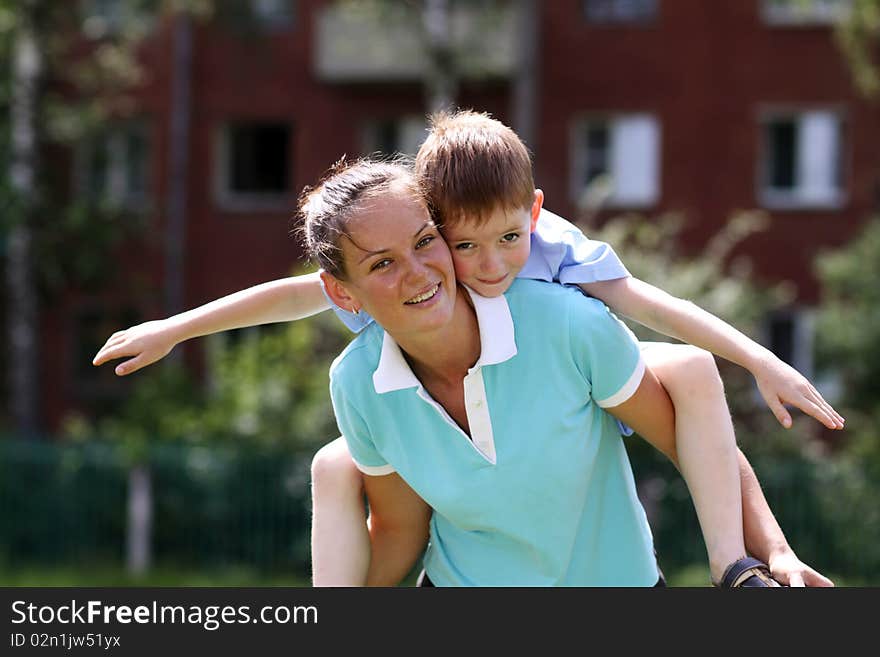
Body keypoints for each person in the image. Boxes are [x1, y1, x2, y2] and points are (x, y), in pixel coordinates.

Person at [93, 111, 840, 587]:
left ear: (532, 215)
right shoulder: (375, 344)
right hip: (470, 516)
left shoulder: (556, 278)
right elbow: (292, 295)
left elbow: (660, 322)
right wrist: (176, 328)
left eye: (425, 245)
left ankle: (729, 569)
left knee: (693, 368)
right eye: (460, 243)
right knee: (330, 462)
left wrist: (762, 364)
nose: (482, 265)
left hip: (577, 385)